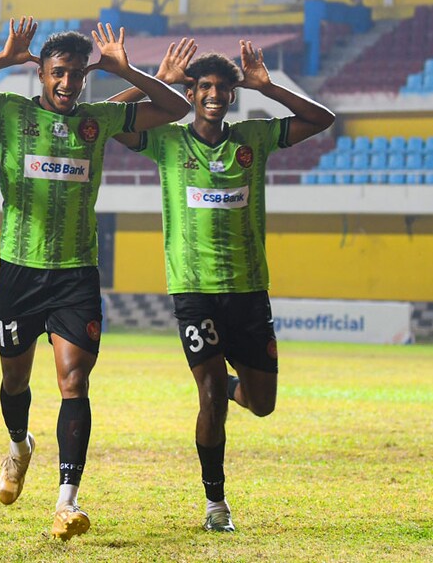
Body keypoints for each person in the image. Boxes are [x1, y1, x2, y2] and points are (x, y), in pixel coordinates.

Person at [0, 18, 190, 540]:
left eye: (77, 75)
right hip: (19, 271)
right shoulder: (10, 111)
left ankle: (66, 501)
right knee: (15, 381)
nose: (68, 83)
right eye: (58, 73)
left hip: (77, 274)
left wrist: (129, 70)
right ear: (41, 75)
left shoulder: (99, 119)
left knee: (74, 381)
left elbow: (176, 109)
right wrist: (5, 57)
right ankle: (19, 446)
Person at [108, 38, 335, 532]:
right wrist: (153, 82)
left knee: (262, 404)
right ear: (191, 93)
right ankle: (216, 504)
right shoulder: (166, 141)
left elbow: (323, 120)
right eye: (203, 86)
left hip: (250, 291)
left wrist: (269, 86)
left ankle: (234, 385)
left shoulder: (252, 138)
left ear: (233, 95)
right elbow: (98, 121)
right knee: (209, 395)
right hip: (193, 290)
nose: (213, 94)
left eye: (222, 88)